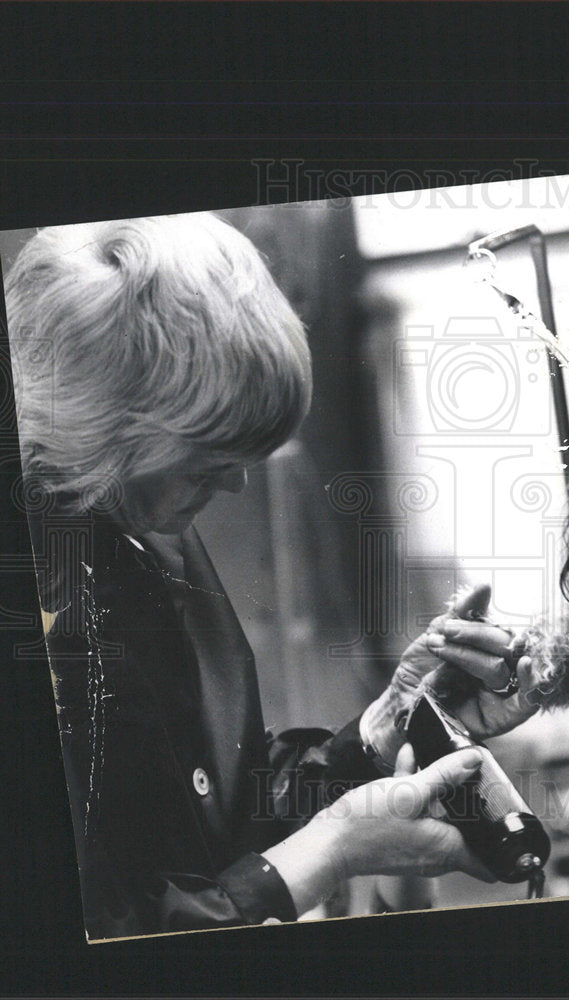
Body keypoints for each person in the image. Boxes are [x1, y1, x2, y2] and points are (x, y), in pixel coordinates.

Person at [5, 213, 540, 940]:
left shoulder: (136, 527)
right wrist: (321, 857)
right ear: (101, 425)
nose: (235, 489)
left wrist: (383, 727)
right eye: (211, 459)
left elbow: (215, 807)